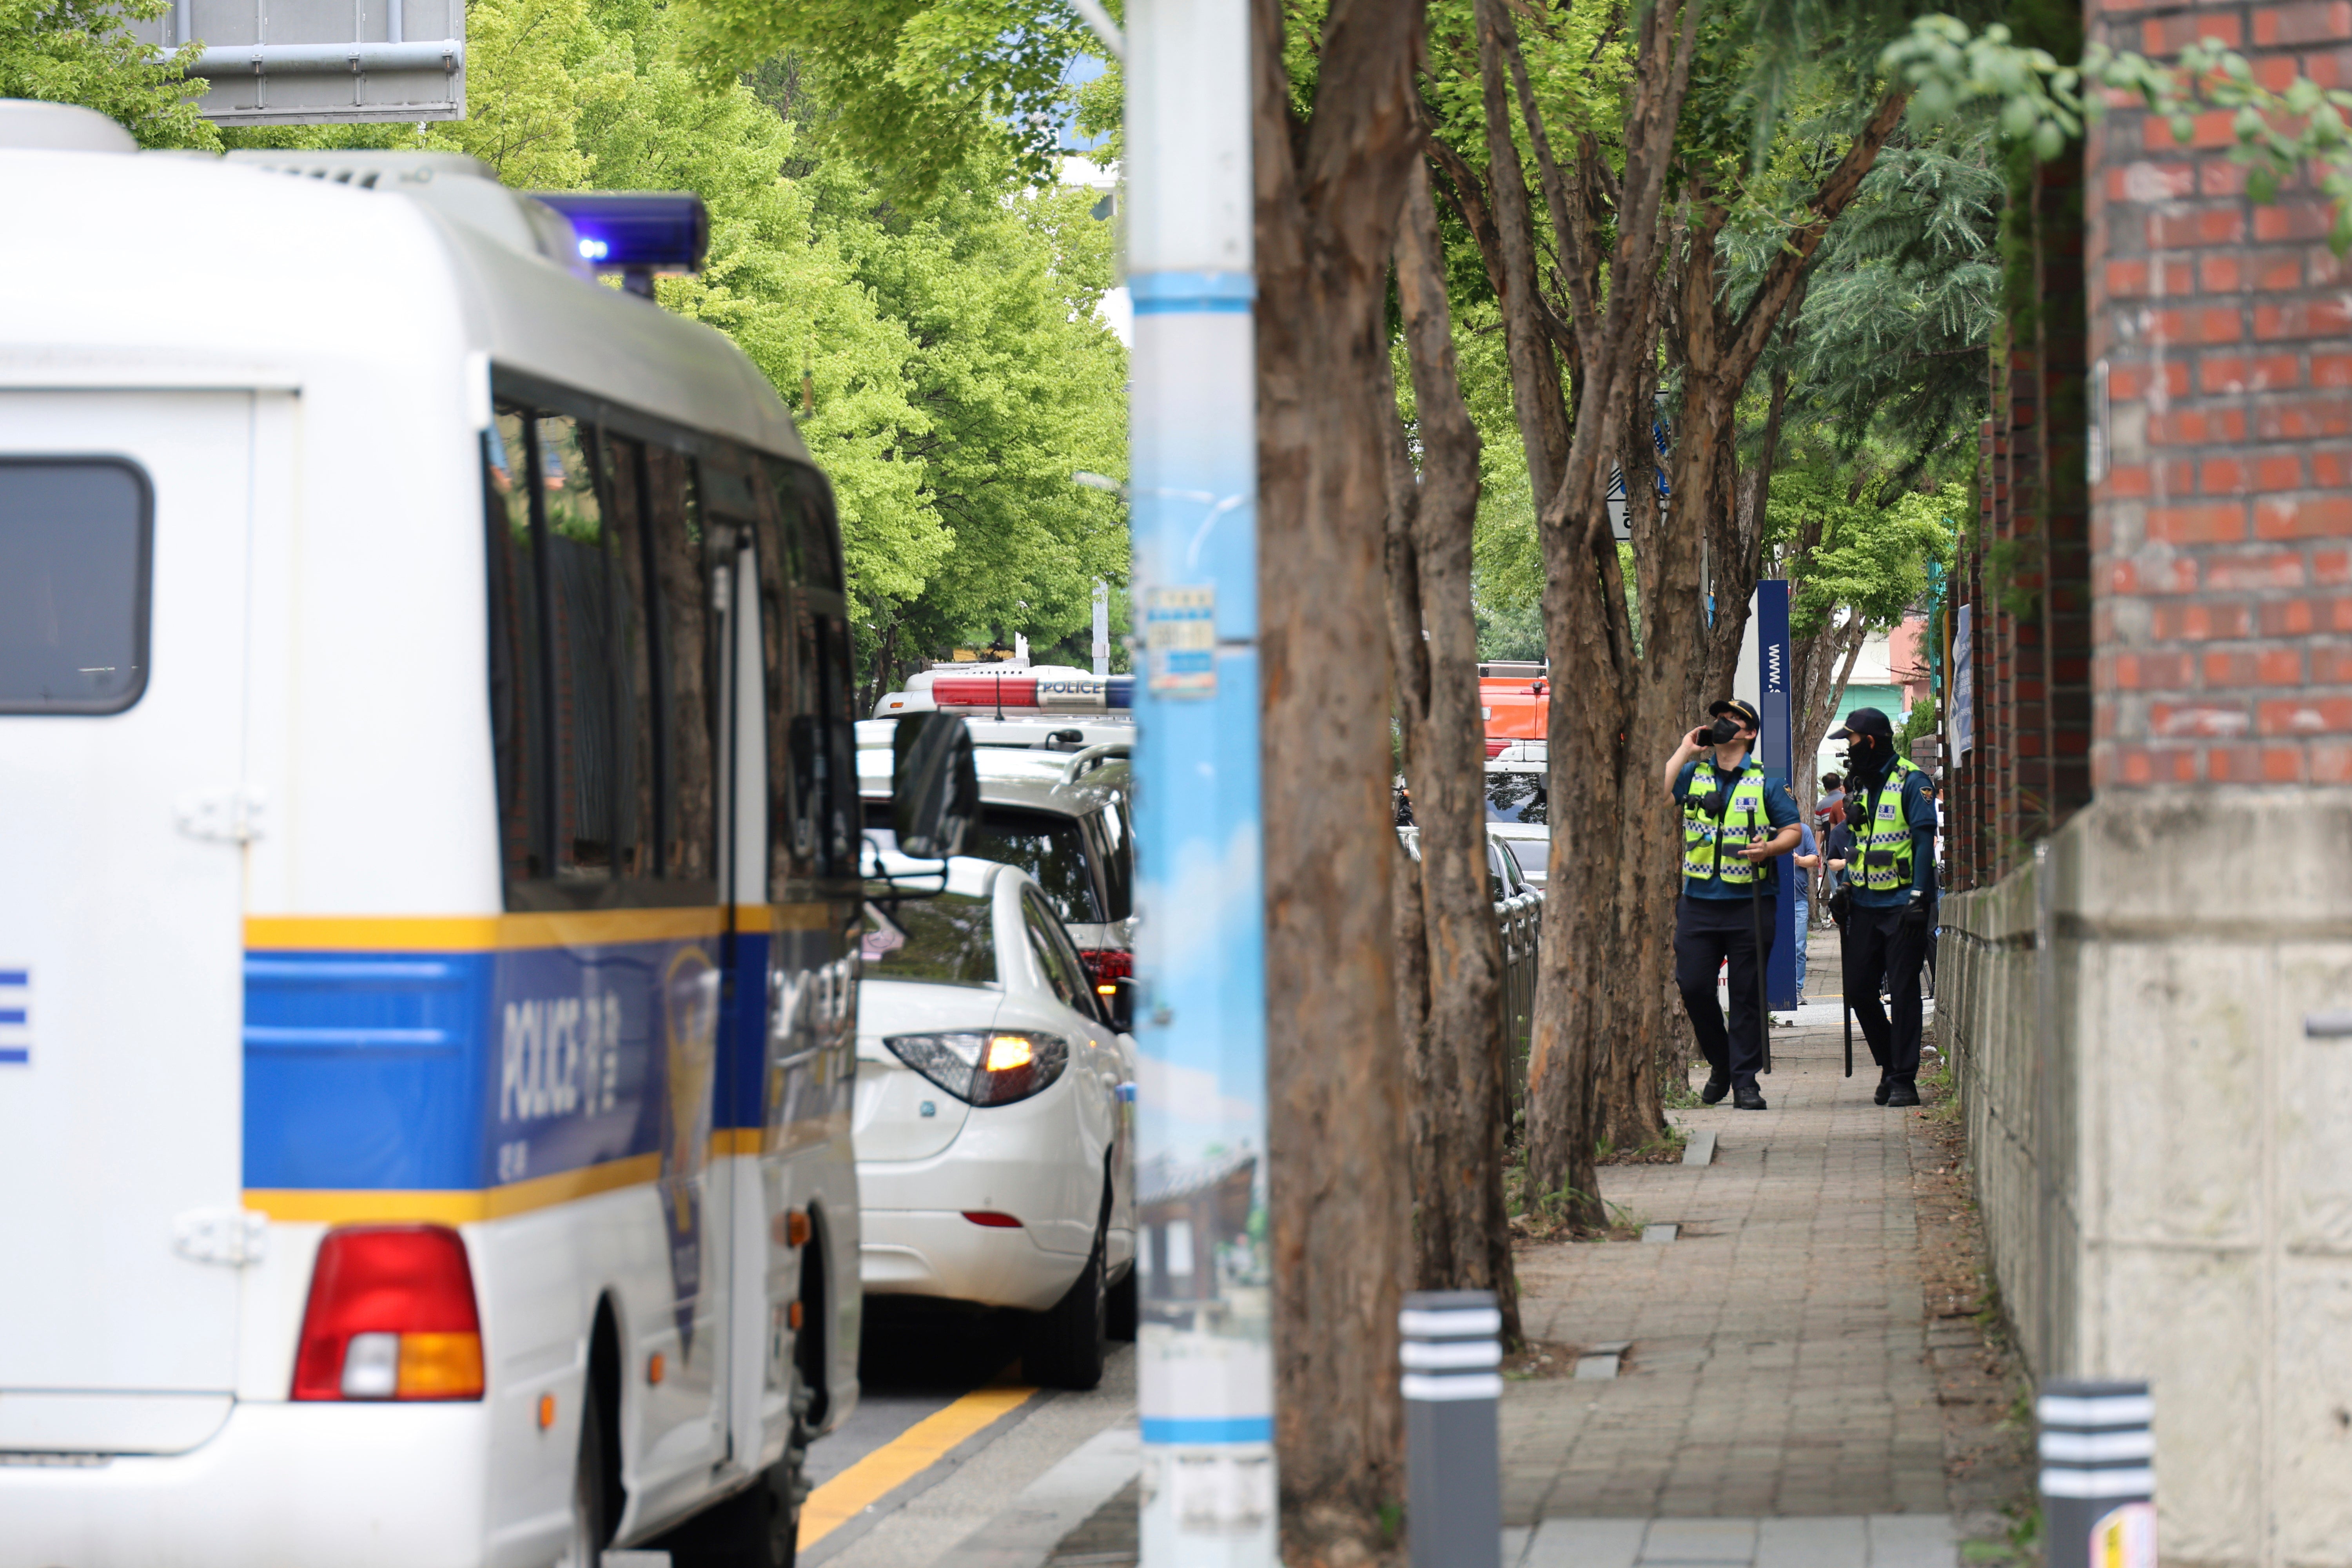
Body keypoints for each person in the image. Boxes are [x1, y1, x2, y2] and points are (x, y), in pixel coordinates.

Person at [1664, 698, 1801, 1111]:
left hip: (1750, 902)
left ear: (1750, 733)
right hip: (1699, 903)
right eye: (1720, 718)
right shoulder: (1692, 774)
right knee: (1693, 987)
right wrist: (1684, 750)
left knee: (1746, 995)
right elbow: (1653, 796)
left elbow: (1793, 830)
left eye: (1733, 719)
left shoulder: (1768, 782)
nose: (1723, 723)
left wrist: (1770, 848)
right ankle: (1722, 1063)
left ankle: (1744, 1082)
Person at [1830, 707, 1938, 1107]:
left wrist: (1920, 897)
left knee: (1905, 991)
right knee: (1859, 990)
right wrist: (1845, 887)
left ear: (1871, 742)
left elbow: (1924, 843)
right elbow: (1859, 845)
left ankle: (1904, 1080)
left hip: (1902, 906)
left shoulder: (1913, 781)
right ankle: (1891, 1064)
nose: (1849, 749)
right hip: (1864, 905)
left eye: (1852, 741)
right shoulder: (1860, 786)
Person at [1791, 820, 1819, 999]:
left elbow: (1814, 859)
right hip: (1774, 901)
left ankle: (1797, 989)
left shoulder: (1803, 830)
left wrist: (1798, 860)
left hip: (1799, 900)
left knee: (1799, 947)